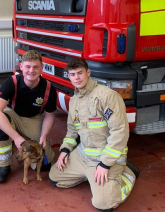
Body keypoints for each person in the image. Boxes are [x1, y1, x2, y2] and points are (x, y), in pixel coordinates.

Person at [49, 59, 139, 211]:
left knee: (103, 203)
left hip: (105, 159)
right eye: (72, 74)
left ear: (88, 73)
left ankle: (127, 174)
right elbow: (72, 131)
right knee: (55, 177)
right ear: (68, 77)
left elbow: (120, 132)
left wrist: (105, 164)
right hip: (83, 156)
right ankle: (89, 175)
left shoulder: (107, 96)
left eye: (80, 73)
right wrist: (65, 150)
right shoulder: (74, 101)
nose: (76, 77)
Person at [0, 50, 57, 183]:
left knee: (45, 164)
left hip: (34, 118)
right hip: (14, 114)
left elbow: (49, 115)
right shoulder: (11, 82)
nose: (31, 70)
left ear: (41, 68)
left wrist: (44, 135)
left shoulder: (49, 88)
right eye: (28, 66)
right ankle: (2, 165)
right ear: (21, 66)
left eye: (36, 67)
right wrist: (16, 138)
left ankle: (21, 143)